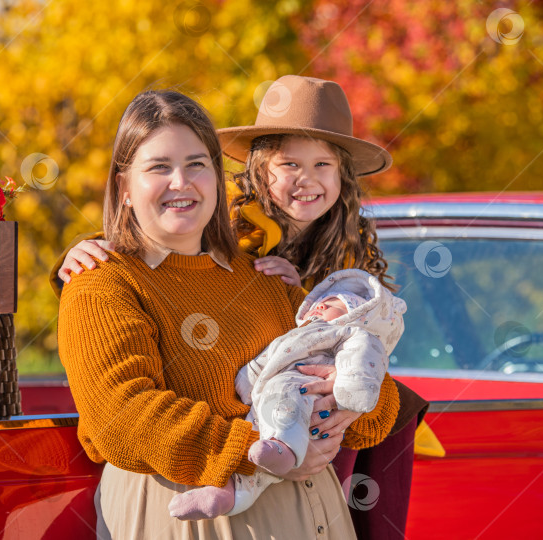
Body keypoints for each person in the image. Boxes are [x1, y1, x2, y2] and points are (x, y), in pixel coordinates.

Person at [54, 76, 440, 539]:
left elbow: (368, 399)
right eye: (159, 167)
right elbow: (124, 417)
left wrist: (350, 403)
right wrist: (266, 449)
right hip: (192, 520)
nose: (181, 182)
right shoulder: (104, 282)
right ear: (124, 186)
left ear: (217, 178)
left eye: (196, 164)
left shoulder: (264, 277)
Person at [169, 269, 406, 520]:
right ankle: (224, 495)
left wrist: (350, 391)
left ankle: (284, 448)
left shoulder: (353, 334)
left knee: (287, 406)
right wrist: (248, 380)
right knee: (252, 437)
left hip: (303, 389)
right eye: (321, 302)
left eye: (335, 305)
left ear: (357, 316)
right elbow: (271, 355)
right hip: (264, 401)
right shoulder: (295, 332)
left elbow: (364, 359)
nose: (321, 305)